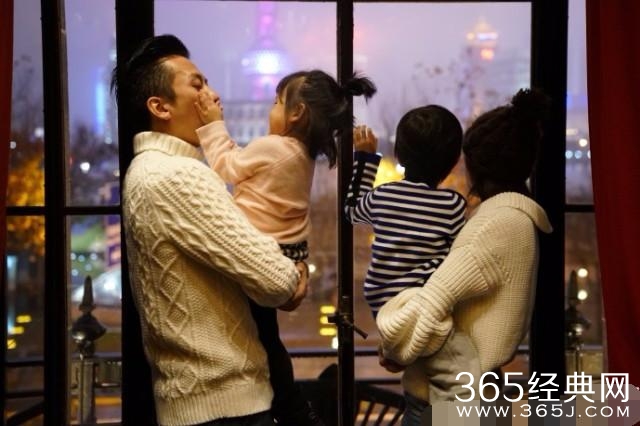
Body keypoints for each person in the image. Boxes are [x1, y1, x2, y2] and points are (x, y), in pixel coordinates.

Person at [112, 34, 308, 426]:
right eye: (197, 85)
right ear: (160, 106)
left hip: (196, 402)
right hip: (226, 405)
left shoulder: (147, 170)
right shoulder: (177, 176)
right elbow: (276, 281)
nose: (213, 96)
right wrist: (296, 273)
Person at [194, 69, 376, 426]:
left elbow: (226, 166)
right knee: (266, 337)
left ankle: (289, 408)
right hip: (287, 255)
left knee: (255, 337)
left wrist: (213, 124)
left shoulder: (274, 147)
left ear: (297, 113)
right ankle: (291, 407)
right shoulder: (302, 155)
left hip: (261, 253)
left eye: (277, 102)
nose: (271, 109)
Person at [375, 88, 553, 425]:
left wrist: (393, 347)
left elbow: (433, 300)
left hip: (450, 401)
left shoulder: (495, 224)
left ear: (473, 164)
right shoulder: (516, 218)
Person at [344, 106, 479, 407]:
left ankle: (397, 350)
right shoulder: (452, 206)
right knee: (462, 367)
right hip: (422, 301)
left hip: (382, 302)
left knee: (411, 349)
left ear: (400, 156)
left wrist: (365, 158)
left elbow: (351, 211)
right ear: (453, 162)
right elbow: (460, 257)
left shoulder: (384, 196)